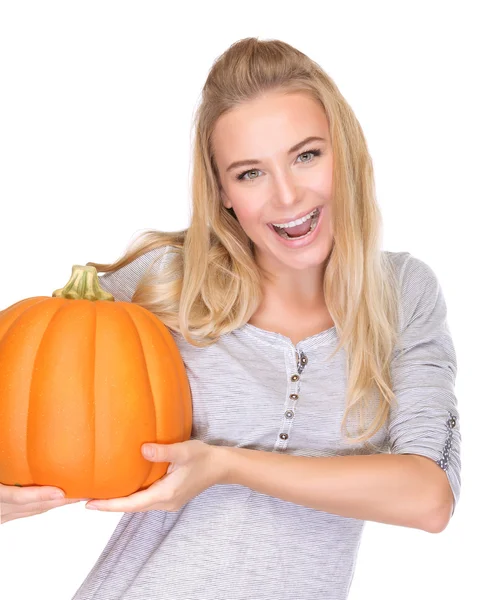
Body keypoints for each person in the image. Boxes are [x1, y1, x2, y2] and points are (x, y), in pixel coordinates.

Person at [0, 37, 461, 600]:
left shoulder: (404, 293)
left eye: (306, 155)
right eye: (250, 173)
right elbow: (32, 380)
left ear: (346, 151)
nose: (288, 196)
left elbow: (429, 496)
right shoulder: (167, 280)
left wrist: (226, 465)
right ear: (222, 191)